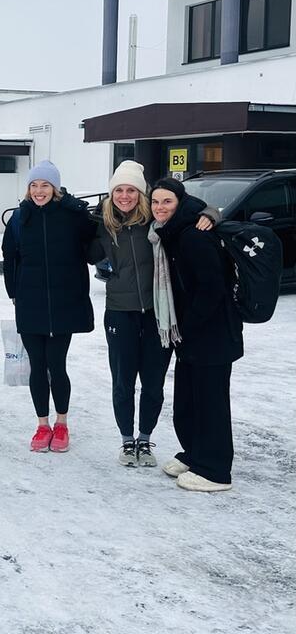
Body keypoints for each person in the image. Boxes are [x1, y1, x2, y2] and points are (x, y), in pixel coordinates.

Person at [92, 161, 217, 467]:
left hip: (157, 314)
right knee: (122, 381)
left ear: (141, 192)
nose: (125, 196)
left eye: (131, 190)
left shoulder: (158, 219)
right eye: (119, 190)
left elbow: (193, 207)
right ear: (111, 194)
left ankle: (145, 439)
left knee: (153, 383)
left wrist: (211, 214)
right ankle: (126, 441)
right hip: (120, 312)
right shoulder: (101, 224)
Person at [150, 177, 243, 493]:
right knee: (189, 400)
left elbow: (211, 289)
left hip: (213, 335)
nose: (160, 207)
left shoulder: (193, 236)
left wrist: (187, 326)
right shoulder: (175, 232)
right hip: (193, 336)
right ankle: (195, 454)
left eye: (167, 202)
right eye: (156, 202)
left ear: (180, 203)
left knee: (211, 402)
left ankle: (216, 471)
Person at [1, 160, 95, 453]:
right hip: (30, 302)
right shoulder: (19, 218)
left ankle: (62, 423)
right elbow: (9, 257)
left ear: (55, 188)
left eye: (45, 185)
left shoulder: (71, 215)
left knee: (57, 364)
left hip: (63, 302)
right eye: (34, 185)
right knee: (37, 368)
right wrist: (14, 292)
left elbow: (93, 245)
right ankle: (43, 424)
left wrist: (77, 207)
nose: (39, 191)